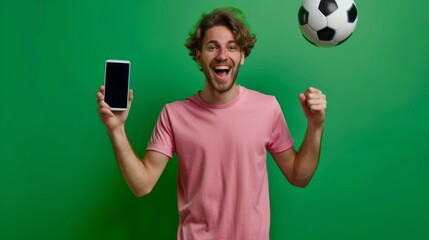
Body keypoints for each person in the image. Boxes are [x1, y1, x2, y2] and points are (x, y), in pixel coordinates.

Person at [96, 7, 327, 240]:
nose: (222, 55)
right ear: (199, 56)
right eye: (212, 47)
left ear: (242, 56)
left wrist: (315, 125)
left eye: (232, 47)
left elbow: (299, 176)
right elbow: (142, 185)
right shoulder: (173, 115)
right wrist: (117, 130)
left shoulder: (267, 108)